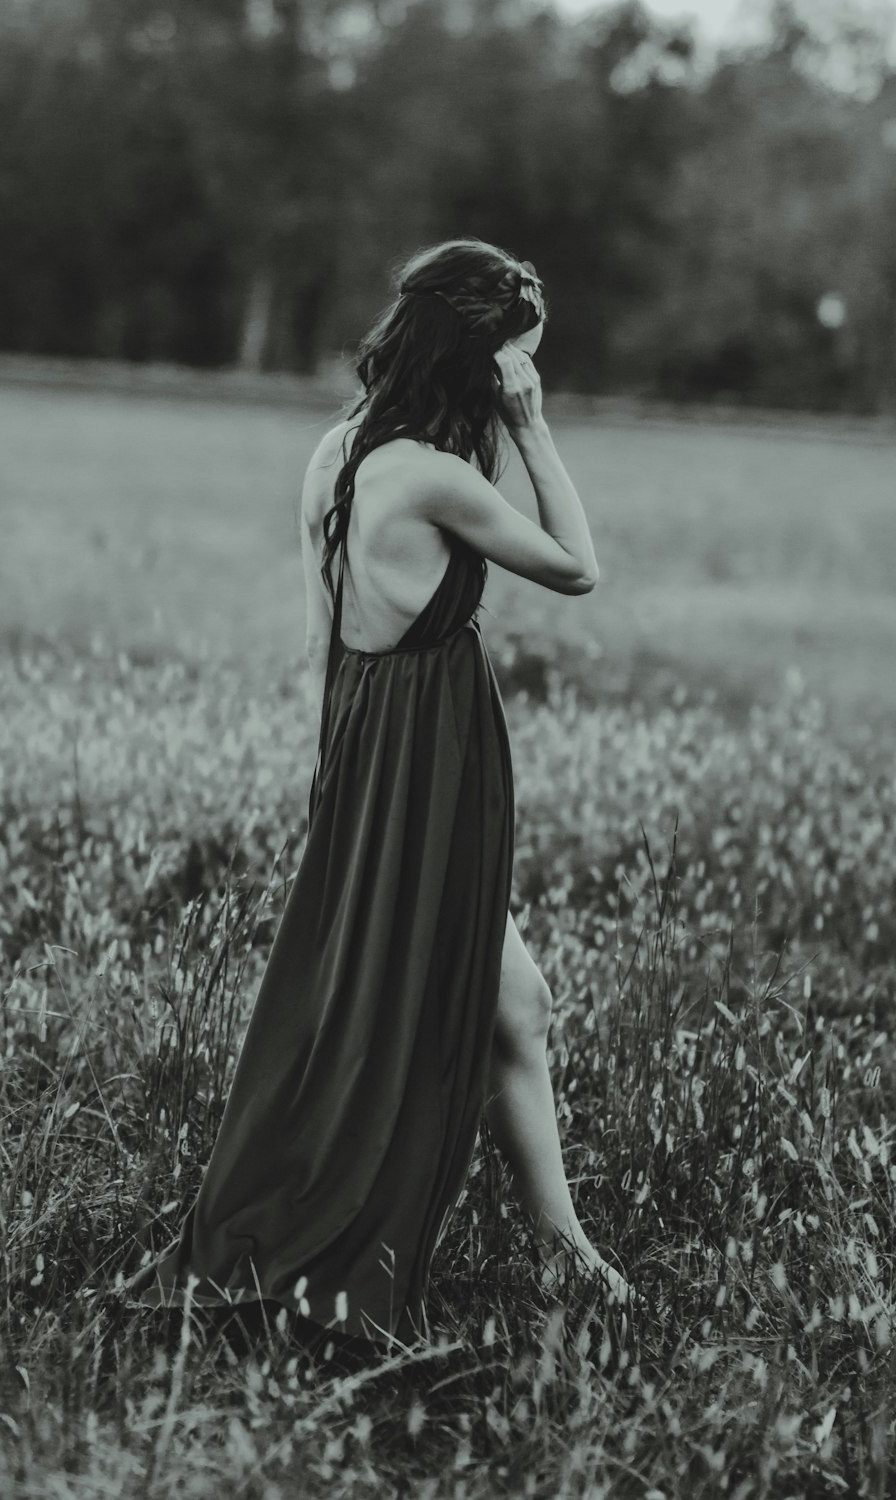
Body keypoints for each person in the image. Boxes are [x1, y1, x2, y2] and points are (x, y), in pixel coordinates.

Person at [124, 236, 633, 1357]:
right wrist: (534, 428)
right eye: (516, 361)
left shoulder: (336, 453)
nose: (522, 379)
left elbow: (318, 647)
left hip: (365, 741)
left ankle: (564, 1244)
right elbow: (577, 567)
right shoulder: (436, 474)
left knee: (510, 999)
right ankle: (484, 1237)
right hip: (429, 755)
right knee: (484, 1000)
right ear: (482, 362)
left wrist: (334, 790)